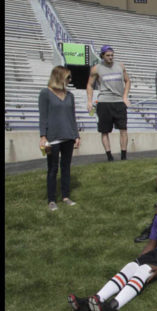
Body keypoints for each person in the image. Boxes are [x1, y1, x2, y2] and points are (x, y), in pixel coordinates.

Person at [67, 185, 157, 311]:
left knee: (144, 270)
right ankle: (96, 300)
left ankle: (111, 307)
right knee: (131, 267)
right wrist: (138, 260)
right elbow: (152, 244)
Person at [39, 65, 80, 211]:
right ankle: (51, 200)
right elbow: (43, 117)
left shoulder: (70, 95)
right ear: (59, 77)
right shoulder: (45, 93)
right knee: (52, 169)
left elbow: (72, 117)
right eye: (67, 77)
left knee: (66, 168)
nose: (70, 80)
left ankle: (66, 196)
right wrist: (43, 136)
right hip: (53, 138)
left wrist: (76, 135)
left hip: (68, 136)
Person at [86, 45, 131, 161]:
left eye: (112, 55)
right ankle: (109, 156)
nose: (110, 57)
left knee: (123, 129)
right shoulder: (96, 68)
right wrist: (89, 101)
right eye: (108, 55)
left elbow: (127, 81)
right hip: (104, 102)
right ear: (102, 56)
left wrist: (125, 96)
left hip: (119, 102)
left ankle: (124, 155)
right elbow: (90, 85)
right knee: (105, 131)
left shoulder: (120, 66)